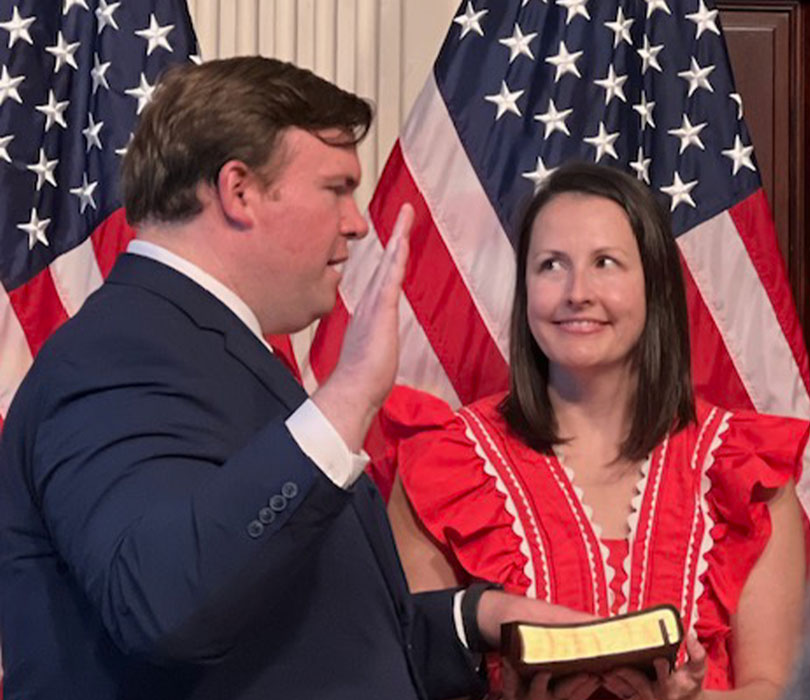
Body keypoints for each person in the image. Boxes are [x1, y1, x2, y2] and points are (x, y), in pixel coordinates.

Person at [0, 58, 588, 700]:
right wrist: (349, 397)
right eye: (337, 187)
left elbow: (307, 633)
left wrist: (479, 621)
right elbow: (164, 605)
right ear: (240, 192)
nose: (358, 221)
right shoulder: (119, 355)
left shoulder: (205, 347)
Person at [385, 163, 809, 700]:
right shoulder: (444, 463)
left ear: (655, 286)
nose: (576, 292)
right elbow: (406, 679)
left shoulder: (747, 469)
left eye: (605, 263)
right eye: (550, 266)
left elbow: (773, 688)